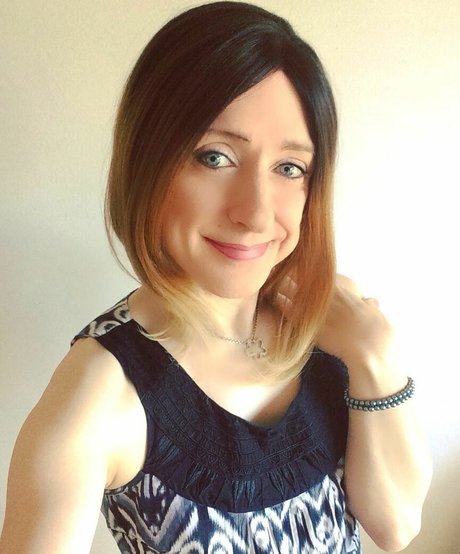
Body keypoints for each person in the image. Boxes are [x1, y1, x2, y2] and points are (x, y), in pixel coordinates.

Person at [0, 2, 432, 553]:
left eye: (289, 168)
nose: (255, 213)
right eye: (214, 157)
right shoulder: (99, 394)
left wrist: (376, 357)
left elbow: (397, 527)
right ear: (147, 161)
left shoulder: (331, 323)